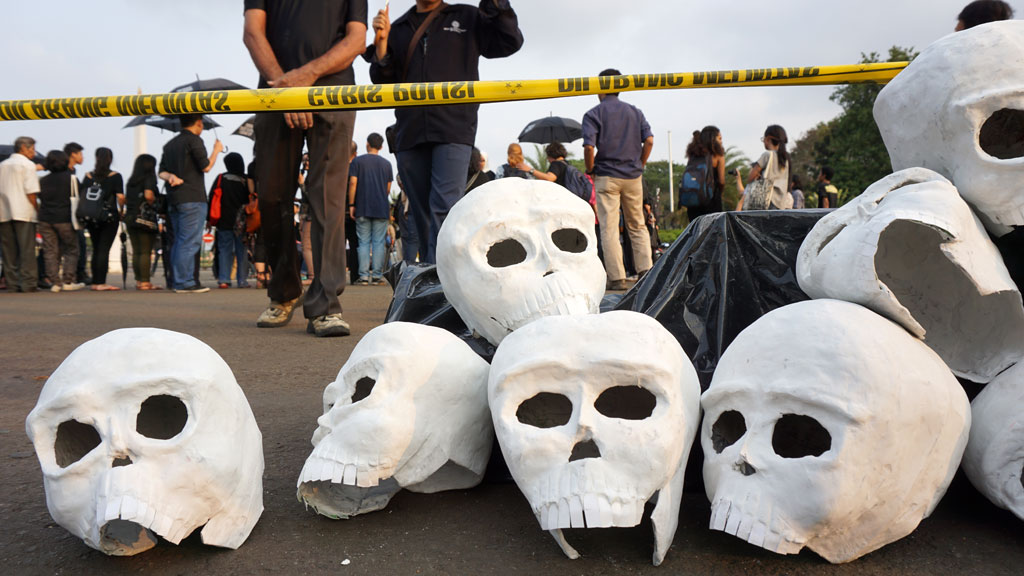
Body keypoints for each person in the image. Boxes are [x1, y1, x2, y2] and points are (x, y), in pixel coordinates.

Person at [244, 0, 367, 337]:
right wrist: (285, 88)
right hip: (274, 92)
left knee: (328, 198)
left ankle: (325, 305)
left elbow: (356, 39)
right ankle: (284, 291)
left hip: (334, 89)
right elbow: (253, 32)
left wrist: (308, 76)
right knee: (270, 195)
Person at [369, 0, 524, 264]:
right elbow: (382, 80)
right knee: (421, 213)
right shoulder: (400, 27)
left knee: (444, 208)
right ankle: (433, 279)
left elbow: (508, 41)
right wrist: (381, 43)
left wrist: (497, 4)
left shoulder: (466, 16)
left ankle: (441, 284)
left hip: (454, 127)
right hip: (410, 131)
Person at [583, 68, 655, 291]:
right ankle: (646, 271)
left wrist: (590, 168)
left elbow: (588, 146)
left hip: (606, 175)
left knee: (609, 228)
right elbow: (650, 140)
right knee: (637, 224)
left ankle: (617, 278)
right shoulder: (635, 112)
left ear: (600, 89)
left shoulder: (593, 114)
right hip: (632, 175)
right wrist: (640, 164)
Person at [159, 113, 223, 294]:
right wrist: (216, 150)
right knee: (189, 242)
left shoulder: (170, 144)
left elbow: (161, 172)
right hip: (193, 198)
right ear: (198, 123)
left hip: (174, 198)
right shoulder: (194, 141)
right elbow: (206, 166)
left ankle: (176, 280)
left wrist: (171, 176)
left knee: (179, 241)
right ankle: (185, 282)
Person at [348, 132, 394, 285]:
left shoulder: (358, 162)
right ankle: (377, 275)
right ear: (381, 146)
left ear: (367, 144)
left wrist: (351, 204)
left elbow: (353, 183)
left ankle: (363, 276)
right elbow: (388, 189)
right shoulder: (387, 164)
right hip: (381, 207)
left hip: (362, 206)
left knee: (363, 242)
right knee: (379, 242)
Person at [37, 150, 83, 292]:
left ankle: (55, 283)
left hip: (45, 218)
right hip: (65, 219)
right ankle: (68, 281)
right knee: (71, 249)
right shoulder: (72, 179)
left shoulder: (42, 180)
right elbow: (79, 197)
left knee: (50, 251)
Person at [80, 147, 125, 291]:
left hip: (91, 217)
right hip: (109, 217)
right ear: (110, 159)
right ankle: (100, 282)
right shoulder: (116, 176)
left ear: (96, 158)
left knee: (96, 248)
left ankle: (95, 281)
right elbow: (120, 197)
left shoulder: (87, 176)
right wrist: (121, 210)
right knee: (104, 249)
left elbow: (82, 195)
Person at [0, 137, 40, 293]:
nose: (33, 153)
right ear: (24, 148)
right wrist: (37, 209)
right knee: (27, 250)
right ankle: (28, 283)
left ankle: (12, 282)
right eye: (32, 149)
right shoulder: (28, 165)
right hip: (23, 211)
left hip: (3, 211)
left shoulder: (2, 166)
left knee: (8, 250)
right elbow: (31, 192)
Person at [212, 152, 251, 289]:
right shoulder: (246, 180)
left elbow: (212, 198)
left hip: (224, 219)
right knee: (242, 250)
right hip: (242, 221)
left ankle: (224, 279)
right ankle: (242, 280)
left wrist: (208, 220)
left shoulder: (221, 178)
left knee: (224, 249)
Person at [123, 154, 162, 290]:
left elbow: (125, 199)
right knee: (145, 251)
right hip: (144, 219)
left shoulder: (131, 181)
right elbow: (148, 196)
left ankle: (139, 280)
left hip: (130, 216)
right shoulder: (149, 178)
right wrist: (154, 202)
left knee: (137, 251)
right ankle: (145, 282)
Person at [736, 125, 792, 211]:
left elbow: (751, 177)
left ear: (768, 139)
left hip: (767, 199)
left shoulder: (767, 155)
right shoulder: (785, 159)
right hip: (781, 201)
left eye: (763, 139)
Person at [682, 126, 727, 222]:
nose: (721, 141)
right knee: (712, 233)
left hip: (694, 201)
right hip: (712, 201)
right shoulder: (718, 155)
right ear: (712, 138)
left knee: (696, 233)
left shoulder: (693, 154)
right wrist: (720, 193)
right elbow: (722, 181)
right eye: (719, 138)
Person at [64, 142, 89, 285]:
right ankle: (79, 273)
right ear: (73, 154)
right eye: (80, 153)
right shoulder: (68, 174)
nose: (82, 157)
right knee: (78, 245)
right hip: (69, 215)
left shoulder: (72, 172)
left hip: (65, 214)